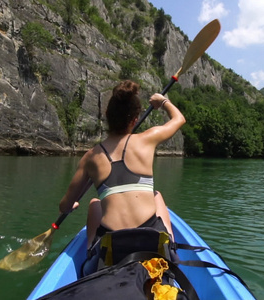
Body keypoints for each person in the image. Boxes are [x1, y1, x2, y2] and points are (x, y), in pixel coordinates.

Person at [58, 80, 185, 250]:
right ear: (135, 119)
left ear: (107, 115)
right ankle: (171, 245)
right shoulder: (147, 139)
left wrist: (70, 205)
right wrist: (163, 102)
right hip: (149, 239)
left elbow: (64, 206)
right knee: (156, 195)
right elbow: (179, 119)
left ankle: (91, 249)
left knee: (95, 202)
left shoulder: (90, 157)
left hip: (113, 245)